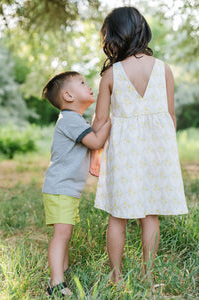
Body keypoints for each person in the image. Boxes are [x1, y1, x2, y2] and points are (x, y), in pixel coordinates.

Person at [90, 6, 188, 283]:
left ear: (116, 35)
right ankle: (148, 274)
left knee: (117, 215)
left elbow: (100, 121)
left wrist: (95, 156)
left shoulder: (111, 75)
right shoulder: (164, 69)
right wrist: (167, 152)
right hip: (158, 149)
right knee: (150, 214)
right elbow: (170, 116)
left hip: (124, 150)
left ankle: (116, 275)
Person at [42, 71, 111, 297]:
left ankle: (62, 270)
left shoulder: (73, 119)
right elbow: (95, 142)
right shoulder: (70, 119)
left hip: (65, 189)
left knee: (65, 233)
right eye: (83, 83)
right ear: (69, 95)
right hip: (61, 188)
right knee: (61, 236)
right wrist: (110, 122)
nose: (89, 86)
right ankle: (56, 283)